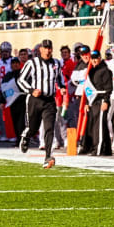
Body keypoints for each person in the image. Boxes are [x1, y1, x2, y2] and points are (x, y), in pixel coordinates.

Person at [18, 39, 66, 168]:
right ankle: (26, 137)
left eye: (49, 48)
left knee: (49, 127)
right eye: (45, 48)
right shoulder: (32, 63)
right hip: (35, 100)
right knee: (32, 128)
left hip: (49, 100)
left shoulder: (56, 63)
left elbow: (60, 79)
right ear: (40, 50)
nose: (48, 50)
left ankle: (48, 156)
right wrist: (31, 90)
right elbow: (21, 80)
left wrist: (62, 87)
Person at [83, 50, 113, 155]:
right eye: (92, 58)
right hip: (93, 100)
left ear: (100, 58)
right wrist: (87, 102)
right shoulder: (91, 71)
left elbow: (109, 88)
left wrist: (106, 100)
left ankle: (98, 148)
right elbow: (88, 88)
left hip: (101, 100)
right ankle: (106, 149)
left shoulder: (105, 70)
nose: (94, 60)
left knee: (99, 126)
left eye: (96, 58)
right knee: (94, 125)